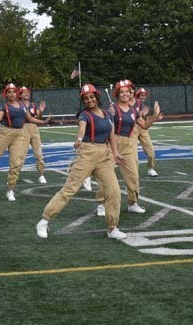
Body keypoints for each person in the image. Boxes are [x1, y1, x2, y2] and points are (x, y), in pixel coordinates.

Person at [36, 84, 128, 240]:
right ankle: (44, 220)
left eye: (91, 97)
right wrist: (78, 139)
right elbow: (82, 129)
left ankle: (112, 228)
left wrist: (116, 153)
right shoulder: (84, 115)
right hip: (87, 152)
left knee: (114, 192)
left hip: (104, 155)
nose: (89, 100)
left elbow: (112, 136)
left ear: (96, 97)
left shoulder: (107, 114)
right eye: (86, 98)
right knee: (69, 189)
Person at [0, 82, 50, 202]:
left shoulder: (22, 105)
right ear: (6, 94)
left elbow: (30, 118)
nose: (12, 94)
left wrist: (43, 122)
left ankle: (10, 190)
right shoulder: (4, 107)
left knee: (16, 163)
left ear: (17, 93)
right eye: (9, 92)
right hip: (5, 133)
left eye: (13, 92)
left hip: (19, 134)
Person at [95, 79, 162, 216]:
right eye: (122, 92)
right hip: (113, 144)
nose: (125, 94)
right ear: (117, 94)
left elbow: (144, 125)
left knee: (133, 176)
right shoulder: (113, 109)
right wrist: (110, 115)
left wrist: (154, 117)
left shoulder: (133, 110)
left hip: (129, 145)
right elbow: (104, 125)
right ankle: (101, 204)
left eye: (127, 92)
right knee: (106, 175)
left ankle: (132, 203)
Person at [20, 86, 48, 184]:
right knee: (21, 155)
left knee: (39, 154)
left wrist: (41, 111)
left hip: (34, 128)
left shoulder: (33, 105)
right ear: (20, 94)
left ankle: (41, 174)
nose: (26, 94)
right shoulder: (19, 105)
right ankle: (14, 175)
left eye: (27, 92)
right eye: (24, 92)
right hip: (23, 128)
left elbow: (38, 117)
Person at [133, 87, 160, 177]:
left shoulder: (145, 106)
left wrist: (156, 114)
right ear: (137, 95)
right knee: (131, 153)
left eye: (144, 95)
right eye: (141, 95)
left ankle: (151, 168)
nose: (143, 97)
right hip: (133, 129)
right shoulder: (132, 104)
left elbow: (148, 120)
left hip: (143, 130)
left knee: (151, 151)